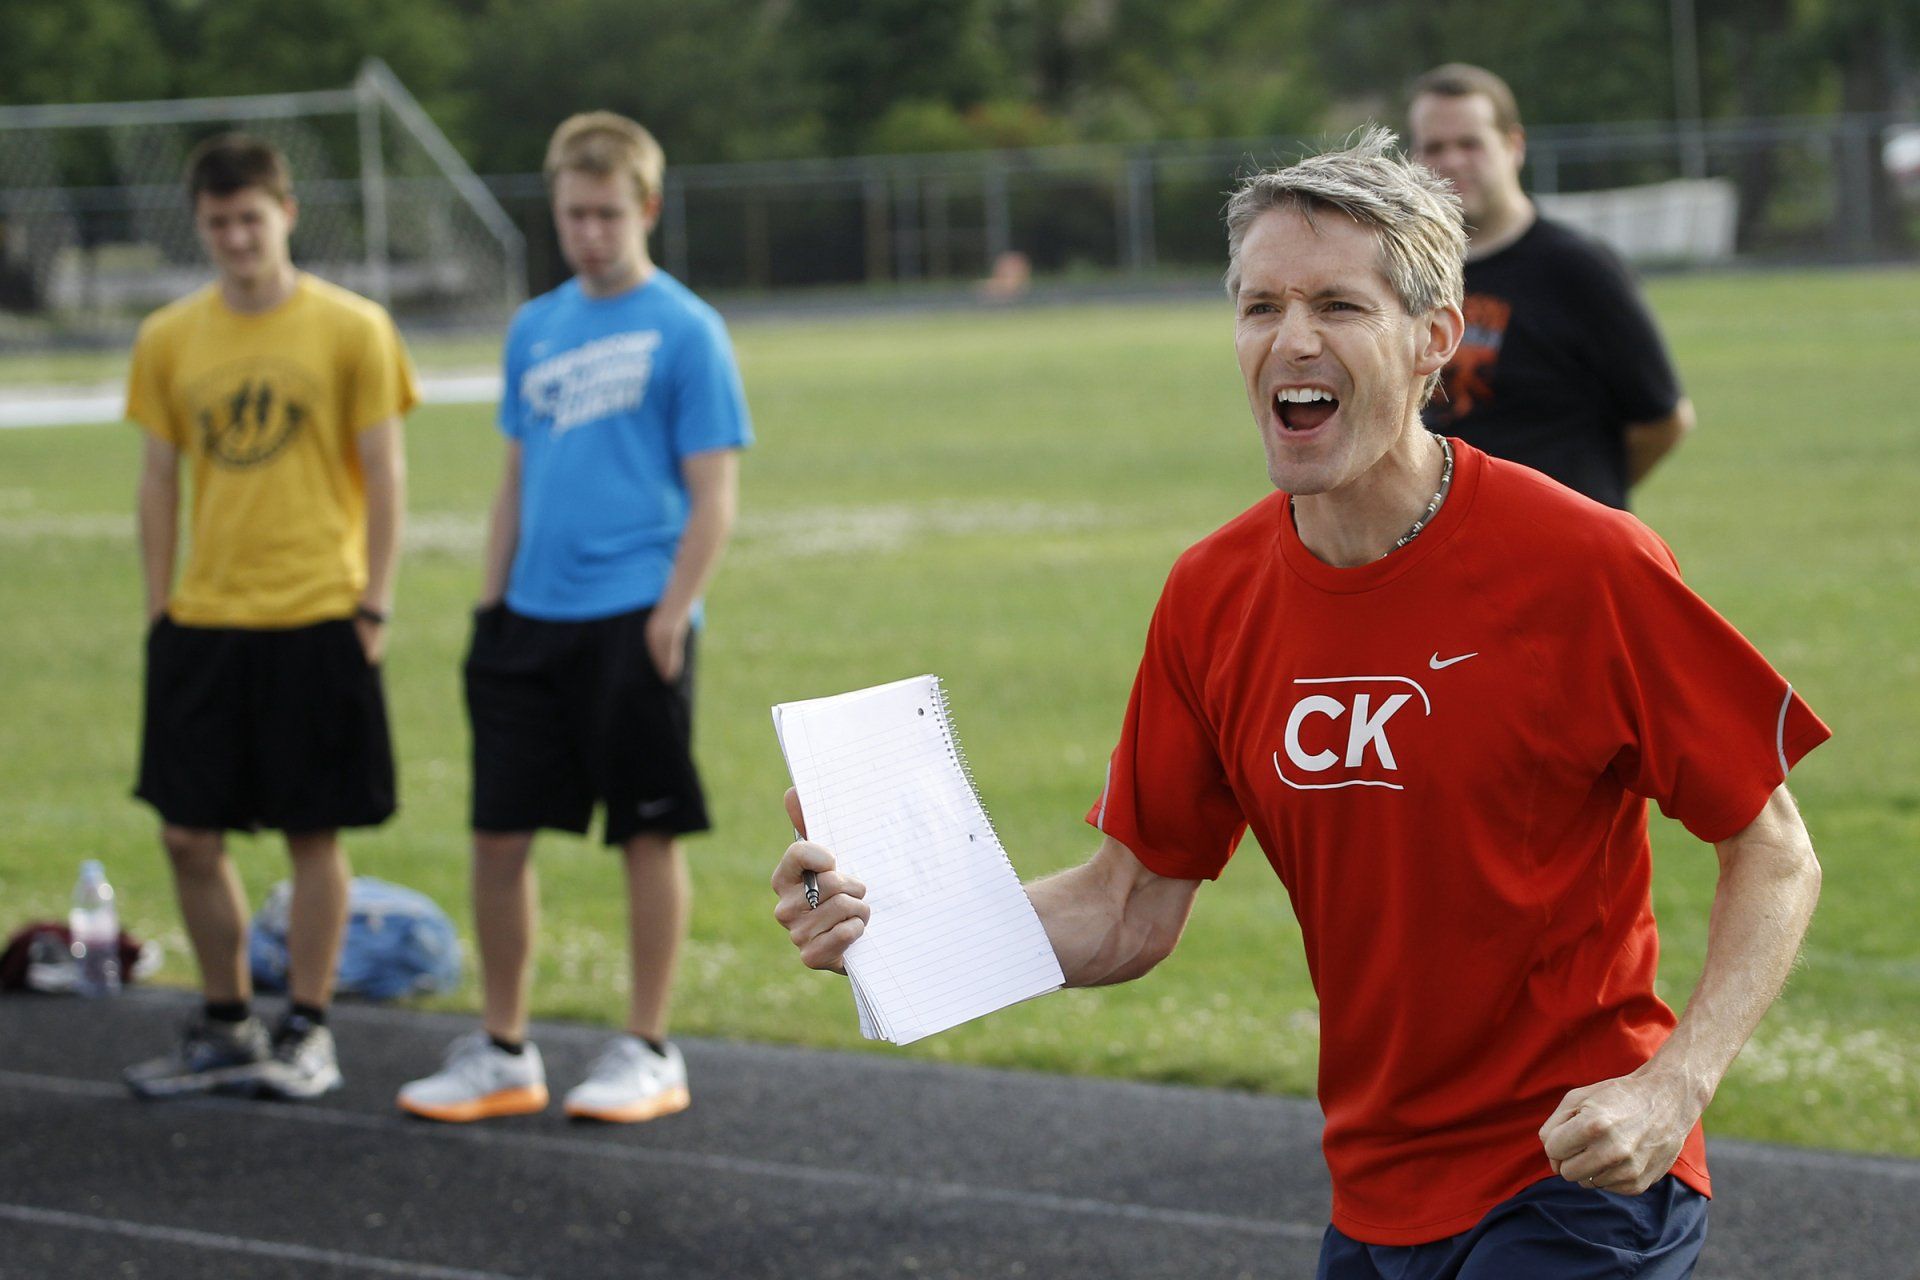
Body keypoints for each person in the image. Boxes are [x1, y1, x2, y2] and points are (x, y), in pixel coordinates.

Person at [771, 129, 1827, 1278]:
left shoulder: (1585, 563)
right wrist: (897, 926)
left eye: (1338, 305)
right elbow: (1127, 906)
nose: (1292, 339)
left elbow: (1774, 850)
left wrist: (1673, 1084)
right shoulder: (1210, 595)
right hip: (1375, 1194)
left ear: (1433, 341)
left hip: (1576, 1177)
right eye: (1260, 305)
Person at [397, 112, 751, 1125]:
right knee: (497, 837)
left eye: (607, 214)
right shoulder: (536, 327)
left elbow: (714, 494)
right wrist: (489, 601)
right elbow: (516, 476)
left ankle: (648, 1047)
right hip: (527, 618)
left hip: (635, 614)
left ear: (646, 208)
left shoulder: (687, 329)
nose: (589, 233)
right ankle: (504, 1049)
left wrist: (672, 614)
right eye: (572, 215)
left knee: (647, 833)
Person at [123, 133, 416, 1101]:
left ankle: (308, 1025)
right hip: (205, 617)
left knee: (312, 831)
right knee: (185, 834)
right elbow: (158, 478)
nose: (238, 238)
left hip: (318, 610)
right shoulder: (170, 336)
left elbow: (385, 473)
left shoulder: (353, 327)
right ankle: (226, 1021)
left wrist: (374, 604)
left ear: (286, 212)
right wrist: (159, 606)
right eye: (219, 223)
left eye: (252, 218)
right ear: (200, 226)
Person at [1408, 63, 1695, 510]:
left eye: (1470, 144)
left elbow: (1663, 420)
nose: (1452, 162)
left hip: (1553, 539)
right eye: (1434, 147)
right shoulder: (1409, 273)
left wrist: (1580, 507)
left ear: (1514, 145)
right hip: (1446, 536)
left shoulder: (1578, 269)